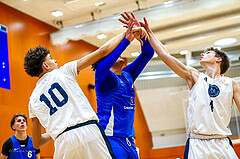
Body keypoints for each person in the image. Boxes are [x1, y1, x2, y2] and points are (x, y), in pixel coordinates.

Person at [120, 13, 240, 158]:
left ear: (218, 59)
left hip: (222, 142)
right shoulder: (195, 76)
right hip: (197, 142)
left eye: (207, 53)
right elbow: (166, 56)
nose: (202, 54)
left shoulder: (231, 84)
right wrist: (149, 33)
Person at [23, 19, 143, 159]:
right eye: (51, 58)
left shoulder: (32, 100)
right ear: (45, 66)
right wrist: (126, 35)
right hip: (89, 131)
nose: (55, 61)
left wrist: (59, 128)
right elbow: (102, 51)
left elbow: (37, 143)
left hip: (62, 140)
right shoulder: (64, 71)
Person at [92, 12, 154, 159]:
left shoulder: (127, 74)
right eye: (113, 51)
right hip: (110, 137)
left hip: (129, 140)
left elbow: (147, 54)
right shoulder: (104, 78)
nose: (119, 53)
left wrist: (142, 38)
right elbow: (101, 67)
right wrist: (126, 40)